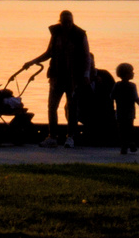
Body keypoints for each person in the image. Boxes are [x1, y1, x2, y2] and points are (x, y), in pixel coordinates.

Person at [23, 10, 91, 148]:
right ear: (60, 21)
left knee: (72, 107)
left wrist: (86, 75)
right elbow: (49, 53)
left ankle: (70, 137)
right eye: (64, 22)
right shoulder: (56, 34)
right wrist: (32, 62)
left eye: (69, 22)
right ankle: (52, 137)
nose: (67, 25)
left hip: (73, 77)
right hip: (56, 76)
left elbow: (86, 56)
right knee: (52, 107)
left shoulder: (80, 34)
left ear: (73, 21)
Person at [114, 61, 139, 154]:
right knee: (129, 129)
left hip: (120, 112)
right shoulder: (132, 86)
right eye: (131, 72)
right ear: (126, 74)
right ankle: (130, 143)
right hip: (129, 113)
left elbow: (111, 96)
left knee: (122, 130)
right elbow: (136, 98)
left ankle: (124, 146)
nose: (133, 73)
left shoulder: (117, 85)